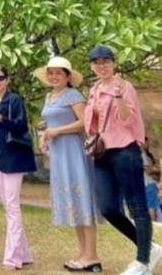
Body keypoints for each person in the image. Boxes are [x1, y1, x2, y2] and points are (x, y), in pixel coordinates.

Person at [84, 45, 161, 275]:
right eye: (97, 62)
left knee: (137, 207)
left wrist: (117, 96)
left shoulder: (125, 87)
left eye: (106, 61)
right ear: (91, 66)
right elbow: (91, 125)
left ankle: (142, 263)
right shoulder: (94, 89)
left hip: (125, 151)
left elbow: (128, 119)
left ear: (113, 63)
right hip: (103, 153)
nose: (101, 66)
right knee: (108, 208)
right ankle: (149, 248)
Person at [35, 56, 101, 272]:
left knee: (82, 200)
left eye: (59, 73)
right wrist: (43, 134)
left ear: (68, 76)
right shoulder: (49, 97)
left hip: (74, 151)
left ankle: (92, 255)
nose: (54, 77)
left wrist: (58, 131)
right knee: (72, 202)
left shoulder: (73, 95)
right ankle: (83, 253)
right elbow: (48, 122)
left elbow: (85, 122)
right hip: (58, 153)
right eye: (51, 73)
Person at [0, 66, 37, 271]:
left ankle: (13, 257)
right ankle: (24, 253)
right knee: (8, 206)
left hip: (13, 157)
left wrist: (1, 119)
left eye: (0, 78)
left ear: (7, 79)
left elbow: (22, 125)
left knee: (12, 206)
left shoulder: (13, 100)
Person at [141, 138, 161, 222]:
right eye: (147, 143)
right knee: (152, 206)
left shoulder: (144, 155)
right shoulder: (142, 154)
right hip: (149, 183)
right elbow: (148, 170)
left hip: (145, 183)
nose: (148, 144)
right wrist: (159, 170)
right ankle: (153, 222)